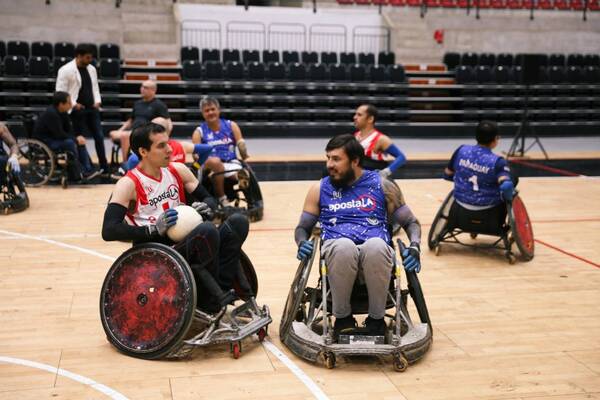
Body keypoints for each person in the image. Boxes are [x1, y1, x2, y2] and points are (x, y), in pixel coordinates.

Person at [101, 122, 250, 311]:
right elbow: (109, 230)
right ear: (143, 151)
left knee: (238, 222)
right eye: (161, 146)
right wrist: (153, 229)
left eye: (168, 143)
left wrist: (205, 207)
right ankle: (211, 298)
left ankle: (219, 289)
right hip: (156, 253)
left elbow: (208, 199)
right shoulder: (128, 184)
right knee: (206, 231)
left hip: (187, 243)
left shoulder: (177, 170)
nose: (170, 150)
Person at [294, 134, 422, 340]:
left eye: (336, 159)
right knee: (344, 246)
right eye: (328, 158)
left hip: (377, 252)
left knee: (376, 246)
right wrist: (301, 243)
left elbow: (411, 222)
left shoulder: (383, 185)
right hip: (337, 251)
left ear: (355, 161)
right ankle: (342, 319)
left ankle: (376, 320)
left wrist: (415, 246)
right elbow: (303, 227)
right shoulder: (319, 189)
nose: (329, 164)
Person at [444, 120, 515, 216]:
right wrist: (509, 197)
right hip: (488, 211)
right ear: (495, 139)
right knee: (512, 179)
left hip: (459, 207)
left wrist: (464, 181)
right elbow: (506, 186)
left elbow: (447, 174)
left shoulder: (461, 150)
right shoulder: (498, 161)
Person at [56, 44, 108, 173]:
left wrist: (97, 101)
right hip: (76, 110)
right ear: (78, 56)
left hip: (92, 108)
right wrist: (73, 104)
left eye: (91, 58)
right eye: (87, 57)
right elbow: (60, 92)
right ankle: (85, 167)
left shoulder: (91, 69)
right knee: (80, 139)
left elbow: (95, 87)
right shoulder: (65, 70)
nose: (90, 60)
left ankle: (104, 166)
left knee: (99, 137)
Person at [191, 96, 249, 207]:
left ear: (218, 110)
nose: (210, 112)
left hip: (230, 161)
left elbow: (240, 142)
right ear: (203, 113)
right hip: (209, 165)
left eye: (213, 109)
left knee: (242, 175)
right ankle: (222, 198)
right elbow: (195, 155)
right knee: (216, 162)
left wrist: (243, 150)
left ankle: (245, 191)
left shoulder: (231, 125)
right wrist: (199, 157)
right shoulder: (199, 131)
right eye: (207, 111)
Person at [32, 91, 100, 181]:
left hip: (53, 138)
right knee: (70, 143)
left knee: (79, 141)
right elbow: (59, 134)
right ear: (61, 104)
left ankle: (87, 170)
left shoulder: (62, 112)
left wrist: (76, 138)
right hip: (45, 142)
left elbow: (68, 130)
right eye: (69, 102)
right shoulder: (51, 114)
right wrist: (75, 139)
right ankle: (79, 171)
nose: (71, 104)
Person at [109, 80, 171, 162]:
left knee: (125, 136)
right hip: (132, 131)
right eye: (141, 86)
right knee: (113, 133)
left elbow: (168, 122)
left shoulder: (159, 105)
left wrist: (166, 136)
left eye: (145, 87)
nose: (142, 89)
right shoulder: (137, 103)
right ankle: (129, 159)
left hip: (145, 133)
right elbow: (130, 120)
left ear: (153, 90)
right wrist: (120, 130)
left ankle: (126, 164)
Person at [123, 117, 212, 171]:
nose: (169, 150)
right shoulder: (182, 146)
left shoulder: (137, 158)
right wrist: (196, 167)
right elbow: (208, 148)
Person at [353, 104, 406, 178]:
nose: (355, 117)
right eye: (355, 114)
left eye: (359, 115)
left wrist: (386, 172)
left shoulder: (381, 139)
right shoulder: (355, 136)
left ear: (370, 119)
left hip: (372, 182)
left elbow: (401, 157)